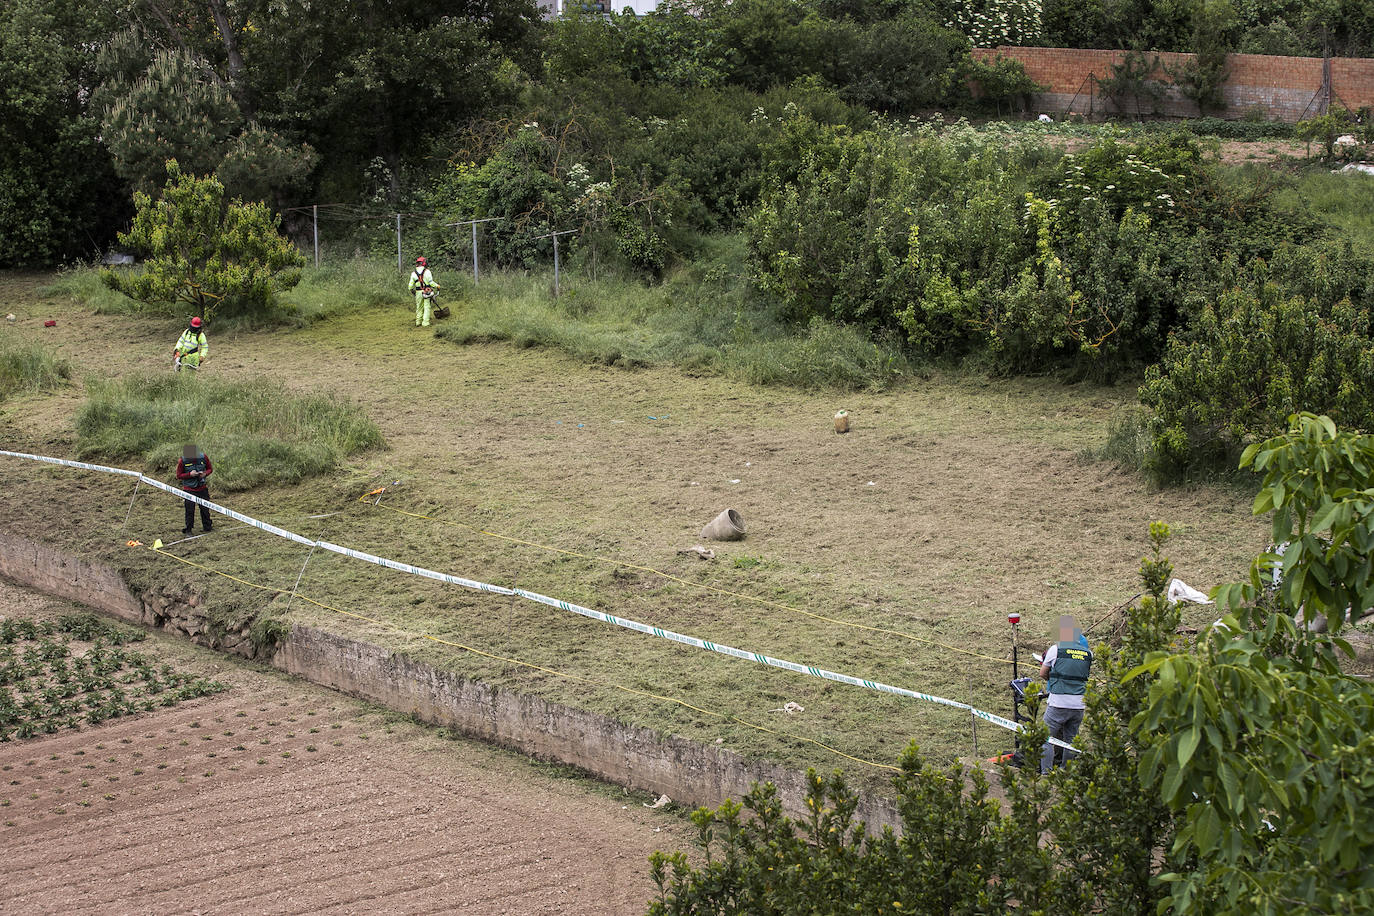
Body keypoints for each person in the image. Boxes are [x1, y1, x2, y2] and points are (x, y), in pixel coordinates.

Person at [1038, 615, 1092, 773]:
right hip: (1079, 704)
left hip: (1058, 703)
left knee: (1045, 738)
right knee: (1070, 740)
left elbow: (1043, 673)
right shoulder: (1088, 653)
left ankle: (1046, 774)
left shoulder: (1056, 649)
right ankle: (1066, 772)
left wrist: (1053, 679)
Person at [176, 444, 214, 534]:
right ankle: (188, 530)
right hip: (189, 489)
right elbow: (178, 475)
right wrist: (189, 475)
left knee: (205, 508)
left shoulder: (203, 457)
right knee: (189, 510)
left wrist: (205, 474)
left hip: (202, 487)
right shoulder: (182, 461)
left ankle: (207, 527)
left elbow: (210, 469)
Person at [408, 256, 440, 327]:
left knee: (419, 307)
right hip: (427, 291)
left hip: (418, 292)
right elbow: (431, 283)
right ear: (424, 263)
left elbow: (410, 286)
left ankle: (418, 322)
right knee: (427, 307)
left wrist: (412, 290)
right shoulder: (427, 272)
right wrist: (437, 286)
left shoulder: (413, 273)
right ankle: (425, 323)